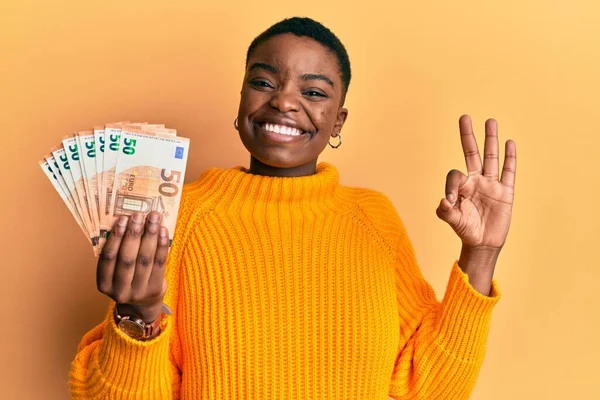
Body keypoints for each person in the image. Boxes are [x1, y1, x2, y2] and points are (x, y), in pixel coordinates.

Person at [69, 17, 517, 400]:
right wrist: (138, 315)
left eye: (315, 92)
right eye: (263, 82)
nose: (284, 101)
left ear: (337, 121)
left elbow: (428, 386)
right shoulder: (173, 217)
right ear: (241, 101)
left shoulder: (373, 220)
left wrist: (481, 255)